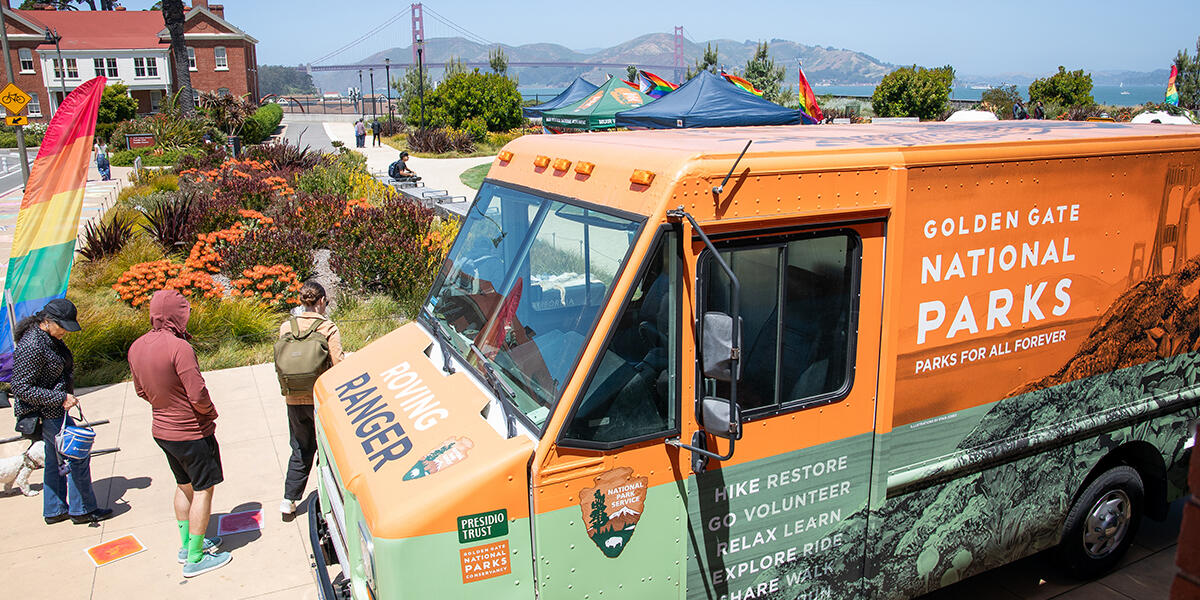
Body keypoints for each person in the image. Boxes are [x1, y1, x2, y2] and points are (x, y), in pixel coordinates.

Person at [128, 290, 231, 578]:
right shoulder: (180, 348)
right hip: (191, 431)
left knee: (183, 484)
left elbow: (140, 391)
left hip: (161, 430)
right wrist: (209, 412)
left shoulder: (136, 347)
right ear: (178, 315)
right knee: (203, 489)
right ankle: (196, 558)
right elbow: (197, 393)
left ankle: (187, 544)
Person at [11, 299, 113, 525]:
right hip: (49, 413)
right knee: (77, 456)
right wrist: (60, 397)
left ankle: (55, 509)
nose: (66, 331)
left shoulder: (48, 338)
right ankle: (82, 509)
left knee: (55, 460)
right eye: (63, 326)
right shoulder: (32, 346)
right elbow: (20, 387)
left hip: (55, 410)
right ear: (47, 321)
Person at [276, 281, 343, 516]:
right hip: (319, 399)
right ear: (322, 301)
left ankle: (289, 500)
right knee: (329, 449)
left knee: (300, 448)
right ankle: (328, 495)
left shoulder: (287, 327)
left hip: (293, 398)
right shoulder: (328, 328)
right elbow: (337, 364)